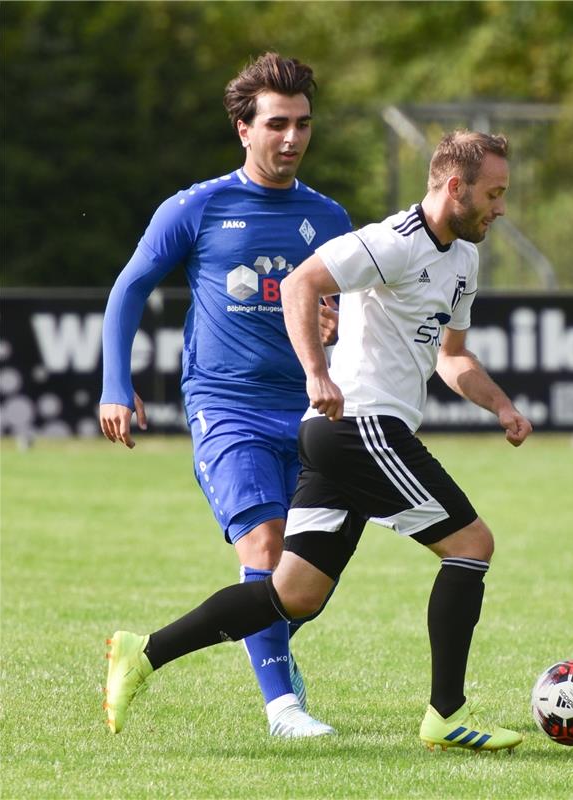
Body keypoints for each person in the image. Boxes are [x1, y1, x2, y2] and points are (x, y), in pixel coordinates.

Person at [103, 130, 533, 752]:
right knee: (472, 546)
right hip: (361, 427)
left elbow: (452, 357)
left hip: (349, 435)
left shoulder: (462, 258)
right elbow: (302, 283)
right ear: (454, 186)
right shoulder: (393, 241)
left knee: (293, 594)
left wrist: (500, 405)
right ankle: (447, 714)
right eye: (494, 194)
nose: (501, 207)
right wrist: (316, 372)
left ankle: (143, 652)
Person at [99, 52, 352, 738]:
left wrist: (338, 324)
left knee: (305, 583)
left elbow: (349, 311)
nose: (292, 138)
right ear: (244, 129)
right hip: (226, 404)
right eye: (276, 124)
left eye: (302, 124)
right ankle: (283, 708)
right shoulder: (197, 207)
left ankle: (263, 659)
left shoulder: (329, 216)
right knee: (265, 547)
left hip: (305, 411)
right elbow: (129, 288)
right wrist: (115, 387)